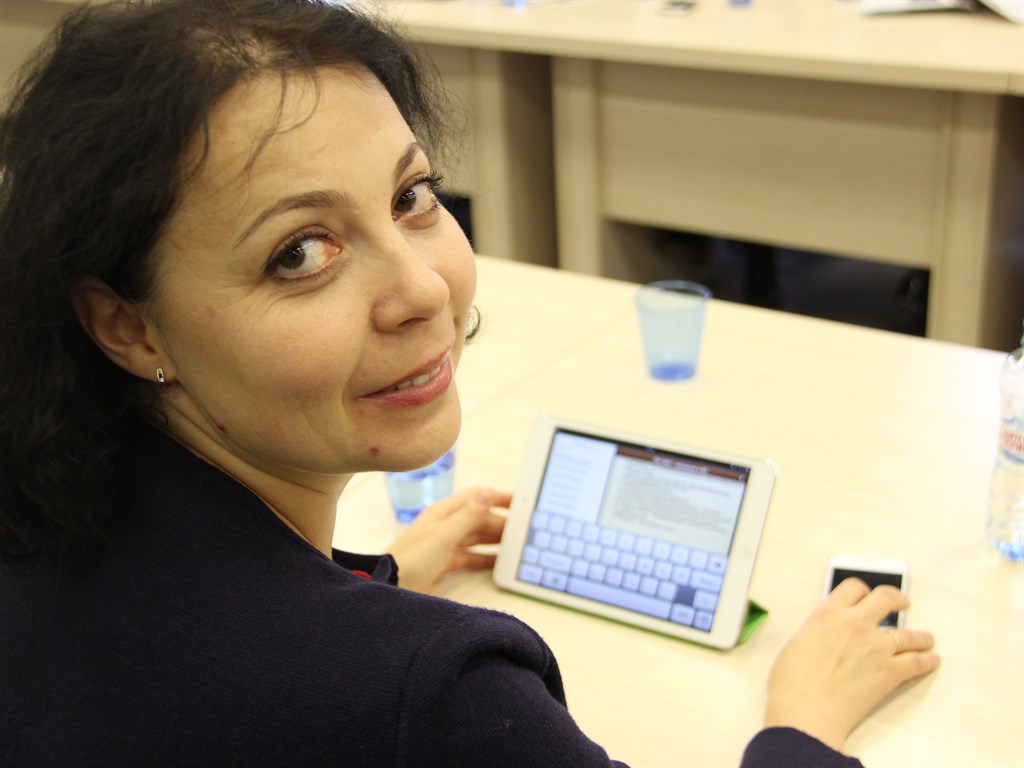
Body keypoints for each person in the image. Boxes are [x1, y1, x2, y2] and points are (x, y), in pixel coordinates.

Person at [0, 1, 939, 765]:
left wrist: (367, 578)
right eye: (301, 252)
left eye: (412, 196)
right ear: (125, 324)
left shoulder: (43, 529)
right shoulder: (438, 696)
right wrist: (802, 724)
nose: (422, 289)